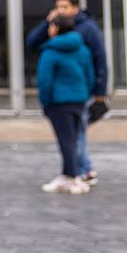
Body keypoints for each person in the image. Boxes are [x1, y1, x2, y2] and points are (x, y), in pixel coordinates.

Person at [25, 0, 107, 186]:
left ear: (75, 8)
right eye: (58, 7)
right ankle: (81, 170)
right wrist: (47, 23)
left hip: (65, 99)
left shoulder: (84, 30)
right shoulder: (71, 42)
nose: (60, 10)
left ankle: (76, 173)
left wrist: (99, 91)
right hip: (79, 95)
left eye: (65, 7)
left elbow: (99, 60)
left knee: (73, 137)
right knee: (77, 135)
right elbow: (32, 42)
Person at [36, 15, 97, 195]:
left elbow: (44, 81)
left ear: (56, 28)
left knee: (66, 142)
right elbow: (89, 76)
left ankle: (71, 177)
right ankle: (70, 175)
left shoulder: (50, 51)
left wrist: (46, 103)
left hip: (59, 103)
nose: (49, 29)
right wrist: (84, 95)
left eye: (51, 25)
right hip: (79, 101)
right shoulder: (83, 49)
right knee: (74, 140)